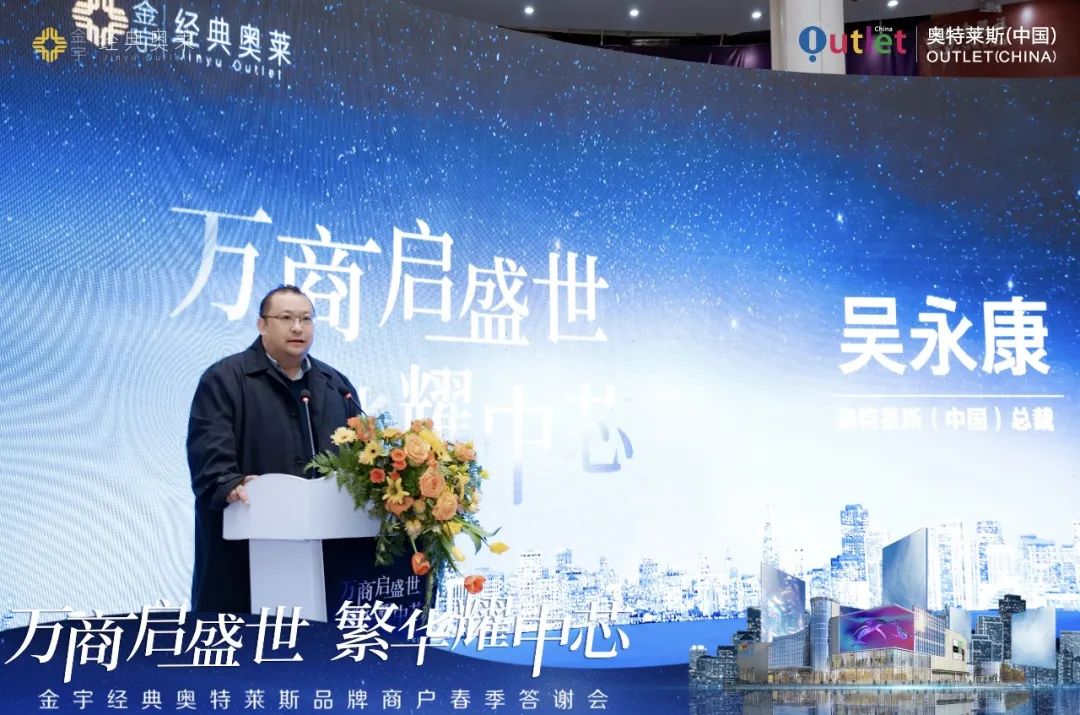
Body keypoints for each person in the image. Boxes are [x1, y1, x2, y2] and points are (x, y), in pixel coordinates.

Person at [187, 285, 361, 614]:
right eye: (286, 318)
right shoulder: (226, 378)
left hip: (326, 558)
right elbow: (209, 454)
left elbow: (360, 455)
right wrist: (230, 483)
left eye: (306, 319)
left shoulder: (335, 385)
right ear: (262, 325)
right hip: (244, 555)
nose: (298, 328)